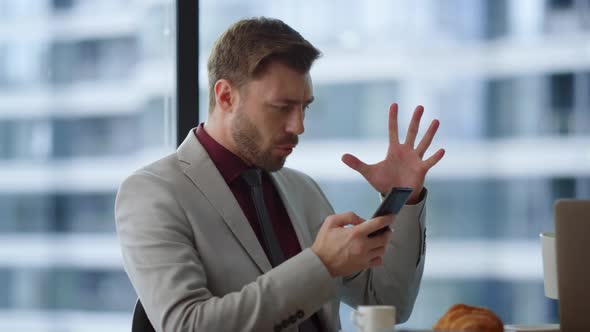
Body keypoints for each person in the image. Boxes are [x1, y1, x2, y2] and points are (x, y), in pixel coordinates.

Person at [115, 17, 444, 332]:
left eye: (305, 107)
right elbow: (189, 326)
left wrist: (404, 198)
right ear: (226, 96)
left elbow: (388, 301)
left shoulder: (301, 189)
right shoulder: (152, 194)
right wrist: (321, 265)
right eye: (282, 107)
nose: (298, 126)